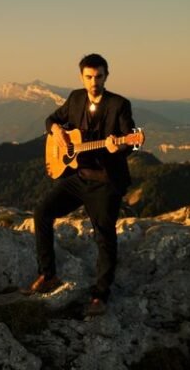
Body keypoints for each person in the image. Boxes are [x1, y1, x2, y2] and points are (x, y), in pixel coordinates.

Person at [22, 53, 139, 317]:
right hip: (78, 177)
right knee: (42, 212)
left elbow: (129, 143)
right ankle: (48, 275)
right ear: (81, 77)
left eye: (98, 76)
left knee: (104, 236)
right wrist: (57, 132)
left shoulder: (119, 105)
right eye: (88, 77)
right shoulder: (75, 98)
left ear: (106, 76)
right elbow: (50, 120)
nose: (93, 82)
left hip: (105, 182)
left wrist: (116, 146)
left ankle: (100, 295)